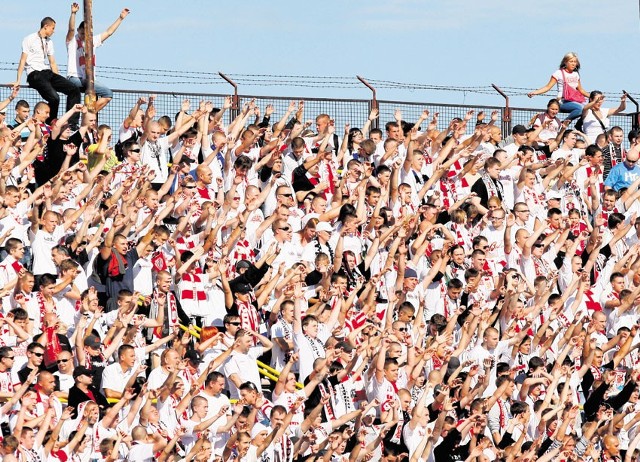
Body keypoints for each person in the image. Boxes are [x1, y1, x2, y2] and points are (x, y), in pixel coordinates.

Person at [11, 16, 81, 125]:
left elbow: (52, 62)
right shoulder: (29, 39)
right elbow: (23, 60)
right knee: (55, 98)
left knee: (74, 89)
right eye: (52, 28)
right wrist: (18, 80)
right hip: (35, 74)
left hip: (47, 73)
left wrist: (59, 80)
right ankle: (50, 124)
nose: (54, 31)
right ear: (46, 26)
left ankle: (72, 124)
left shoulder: (49, 42)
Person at [65, 3, 130, 112]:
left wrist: (120, 18)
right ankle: (86, 112)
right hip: (75, 78)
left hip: (88, 79)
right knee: (88, 85)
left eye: (85, 34)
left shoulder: (92, 40)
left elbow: (109, 32)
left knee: (107, 94)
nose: (83, 36)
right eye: (81, 33)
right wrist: (73, 14)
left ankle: (89, 113)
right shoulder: (72, 41)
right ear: (78, 30)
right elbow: (71, 29)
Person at [527, 51, 590, 121]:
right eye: (571, 61)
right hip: (563, 101)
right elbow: (548, 87)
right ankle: (564, 123)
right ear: (565, 62)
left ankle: (579, 126)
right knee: (580, 109)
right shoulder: (558, 73)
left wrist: (594, 97)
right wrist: (535, 92)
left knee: (589, 108)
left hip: (575, 100)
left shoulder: (576, 74)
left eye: (575, 62)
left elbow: (581, 90)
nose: (573, 64)